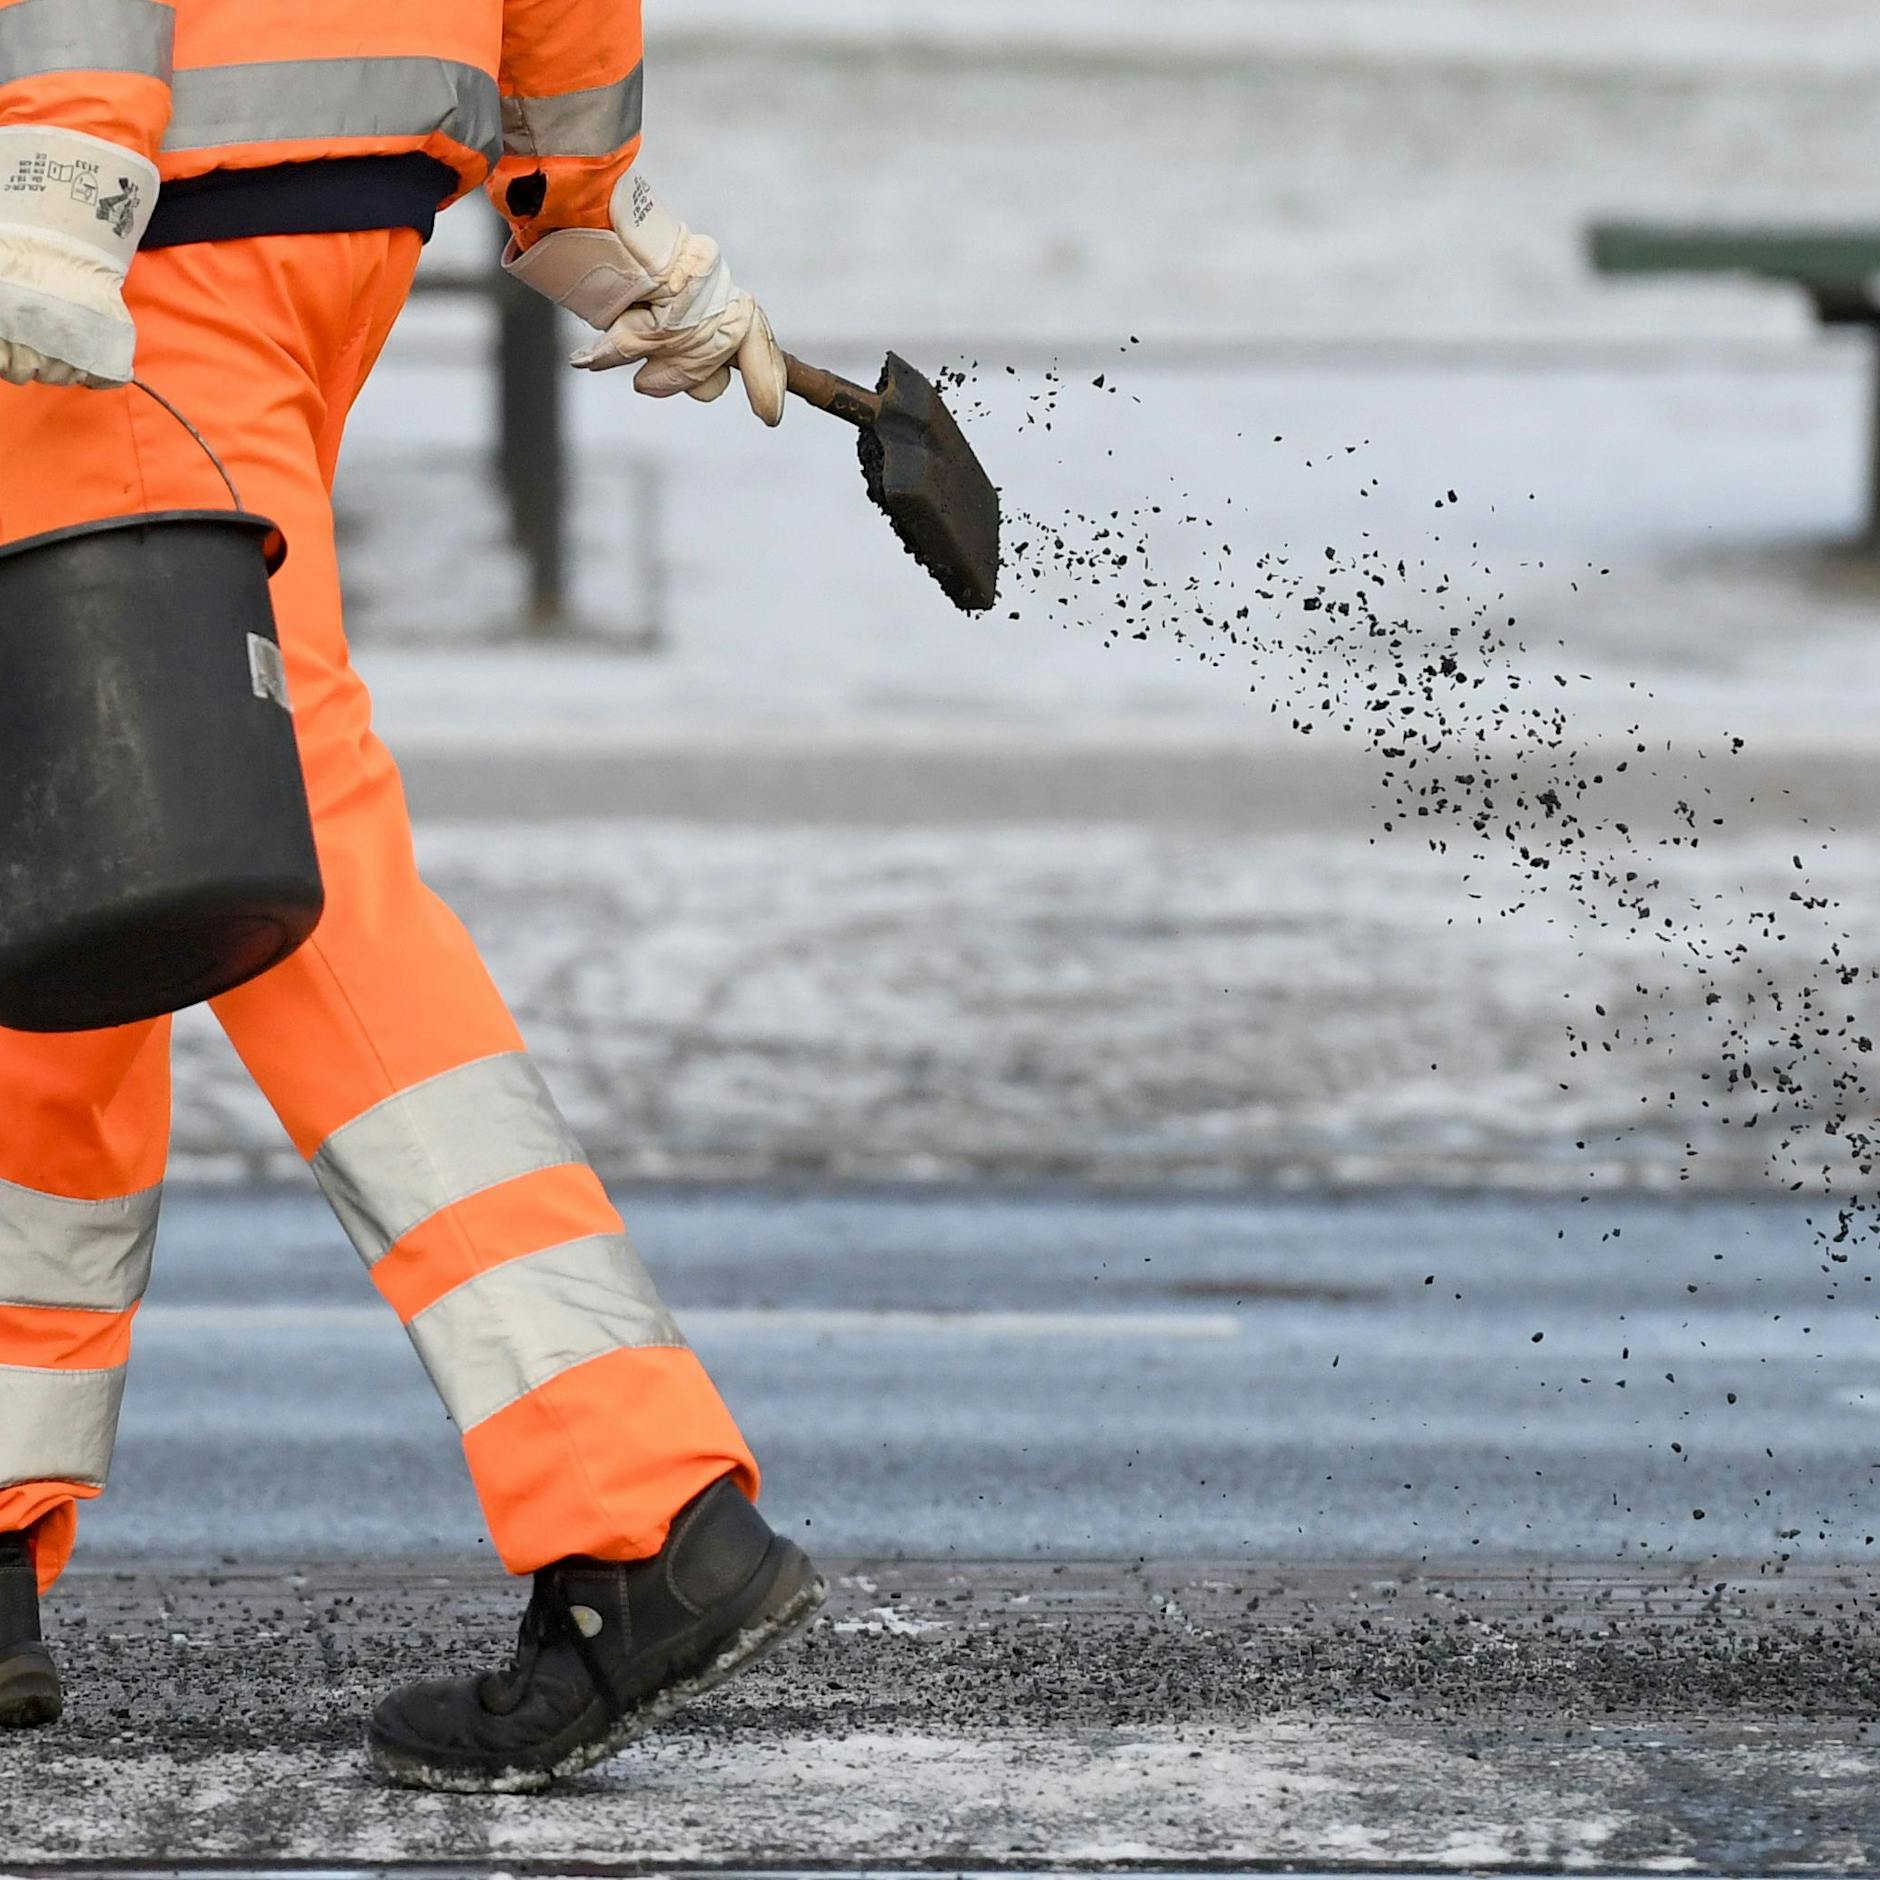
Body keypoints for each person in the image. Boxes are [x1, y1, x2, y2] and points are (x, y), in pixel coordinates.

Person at [0, 0, 823, 1793]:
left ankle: (638, 1509)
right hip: (307, 205)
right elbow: (564, 54)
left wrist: (58, 169)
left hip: (118, 218)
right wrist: (600, 212)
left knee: (259, 868)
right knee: (61, 856)